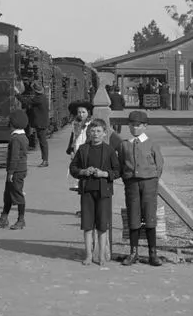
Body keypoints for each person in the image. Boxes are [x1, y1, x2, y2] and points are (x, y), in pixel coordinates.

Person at [69, 118, 121, 266]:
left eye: (98, 131)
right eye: (92, 131)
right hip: (87, 191)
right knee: (87, 225)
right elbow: (73, 168)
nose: (95, 134)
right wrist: (84, 171)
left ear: (104, 133)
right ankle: (88, 255)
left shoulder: (109, 150)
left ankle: (102, 255)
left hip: (104, 192)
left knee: (102, 225)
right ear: (88, 133)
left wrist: (104, 174)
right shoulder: (83, 150)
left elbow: (117, 171)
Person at [116, 110, 164, 266]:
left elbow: (159, 164)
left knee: (150, 217)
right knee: (133, 217)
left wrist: (153, 178)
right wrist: (127, 178)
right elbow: (122, 163)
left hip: (149, 182)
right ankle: (133, 252)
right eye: (132, 125)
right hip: (132, 183)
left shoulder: (152, 143)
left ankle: (152, 253)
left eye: (138, 125)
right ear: (128, 126)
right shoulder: (124, 144)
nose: (135, 128)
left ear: (145, 126)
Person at [0, 109, 30, 230]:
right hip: (19, 170)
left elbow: (14, 157)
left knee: (17, 194)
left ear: (13, 124)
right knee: (8, 194)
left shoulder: (16, 139)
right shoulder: (23, 137)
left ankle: (21, 220)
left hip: (16, 171)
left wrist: (11, 172)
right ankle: (4, 218)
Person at [22, 80, 50, 167]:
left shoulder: (38, 99)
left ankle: (45, 161)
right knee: (43, 141)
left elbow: (26, 102)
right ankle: (45, 160)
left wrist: (17, 94)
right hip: (43, 122)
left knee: (43, 142)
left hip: (41, 123)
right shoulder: (43, 97)